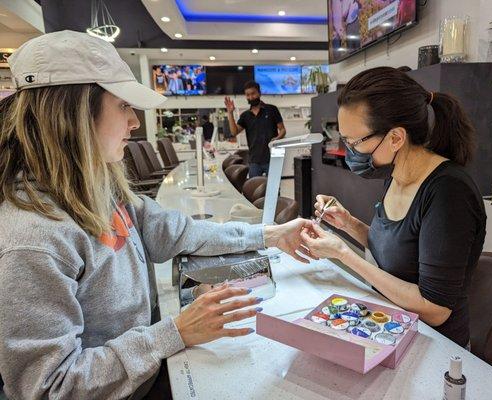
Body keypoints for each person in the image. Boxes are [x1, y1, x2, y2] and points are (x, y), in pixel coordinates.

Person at [0, 30, 316, 400]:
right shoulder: (32, 240)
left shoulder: (99, 190)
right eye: (123, 105)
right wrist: (175, 333)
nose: (134, 122)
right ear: (73, 114)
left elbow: (177, 232)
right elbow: (48, 387)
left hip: (145, 369)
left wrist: (270, 235)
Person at [300, 67, 486, 348]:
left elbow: (434, 309)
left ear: (396, 138)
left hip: (434, 345)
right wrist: (348, 222)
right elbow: (395, 251)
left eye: (354, 142)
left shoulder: (449, 193)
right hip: (389, 323)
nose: (349, 150)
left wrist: (343, 254)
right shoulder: (396, 173)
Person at [224, 81, 286, 177]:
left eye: (253, 94)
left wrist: (277, 138)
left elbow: (282, 130)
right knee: (254, 189)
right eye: (248, 95)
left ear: (259, 93)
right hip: (254, 160)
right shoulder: (245, 116)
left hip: (273, 157)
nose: (251, 97)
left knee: (274, 189)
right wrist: (230, 113)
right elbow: (234, 132)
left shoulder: (272, 109)